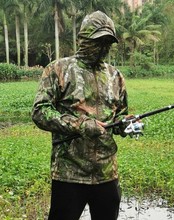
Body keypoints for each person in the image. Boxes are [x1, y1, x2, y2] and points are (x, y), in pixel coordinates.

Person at [32, 11, 128, 220]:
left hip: (106, 173)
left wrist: (124, 124)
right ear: (83, 39)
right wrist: (79, 125)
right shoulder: (58, 69)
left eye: (107, 43)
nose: (102, 48)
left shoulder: (115, 76)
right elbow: (40, 111)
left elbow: (120, 115)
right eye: (97, 41)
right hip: (69, 173)